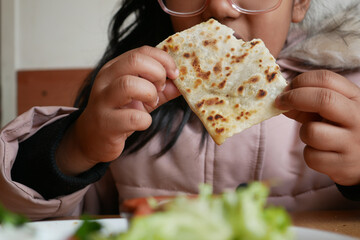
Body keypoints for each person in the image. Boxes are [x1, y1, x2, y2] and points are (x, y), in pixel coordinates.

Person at [1, 0, 360, 220]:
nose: (219, 6)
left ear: (300, 2)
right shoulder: (126, 104)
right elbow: (42, 221)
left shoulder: (351, 100)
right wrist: (77, 148)